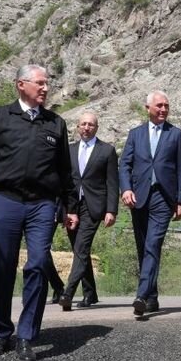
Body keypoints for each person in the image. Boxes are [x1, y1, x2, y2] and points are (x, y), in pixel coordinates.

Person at [0, 64, 78, 361]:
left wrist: (70, 207)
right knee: (2, 267)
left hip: (42, 205)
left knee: (37, 265)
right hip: (6, 201)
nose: (46, 88)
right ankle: (2, 331)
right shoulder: (0, 117)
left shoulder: (56, 123)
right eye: (39, 83)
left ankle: (26, 336)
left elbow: (65, 170)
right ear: (20, 85)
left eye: (47, 83)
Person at [119, 90, 181, 317]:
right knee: (143, 248)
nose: (163, 110)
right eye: (159, 105)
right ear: (147, 108)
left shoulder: (176, 135)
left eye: (166, 106)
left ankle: (140, 295)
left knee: (153, 245)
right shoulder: (135, 134)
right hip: (139, 197)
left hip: (163, 198)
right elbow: (125, 165)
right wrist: (126, 188)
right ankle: (152, 297)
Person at [59, 111, 119, 311]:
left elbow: (112, 183)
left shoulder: (107, 151)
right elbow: (64, 180)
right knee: (79, 249)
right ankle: (90, 293)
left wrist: (111, 210)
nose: (86, 127)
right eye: (83, 124)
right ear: (78, 127)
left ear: (97, 128)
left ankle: (67, 293)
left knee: (81, 249)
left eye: (91, 125)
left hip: (94, 207)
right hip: (72, 207)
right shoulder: (68, 150)